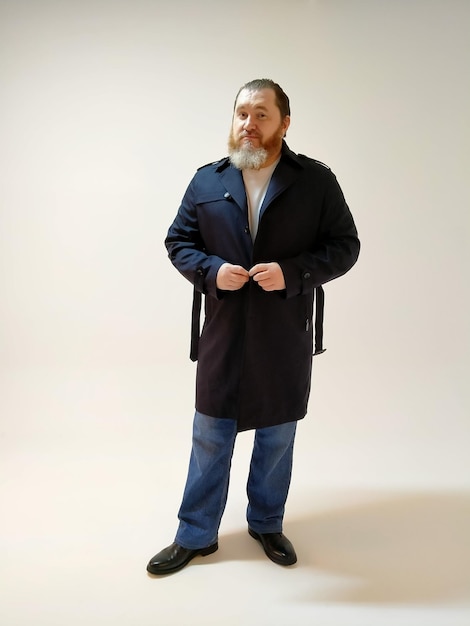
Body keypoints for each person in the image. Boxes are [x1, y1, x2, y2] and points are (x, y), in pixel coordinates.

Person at [147, 78, 360, 575]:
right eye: (242, 113)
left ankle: (266, 522)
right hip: (222, 331)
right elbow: (178, 240)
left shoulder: (315, 182)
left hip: (284, 331)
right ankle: (196, 534)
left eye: (262, 114)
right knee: (210, 434)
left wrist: (293, 273)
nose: (250, 123)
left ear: (284, 123)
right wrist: (209, 271)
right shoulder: (207, 180)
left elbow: (344, 245)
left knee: (277, 434)